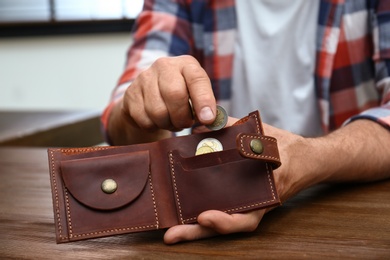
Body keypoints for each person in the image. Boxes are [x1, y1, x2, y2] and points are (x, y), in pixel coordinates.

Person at [101, 0, 390, 244]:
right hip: (212, 209)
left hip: (351, 216)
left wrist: (305, 159)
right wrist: (139, 105)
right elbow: (121, 123)